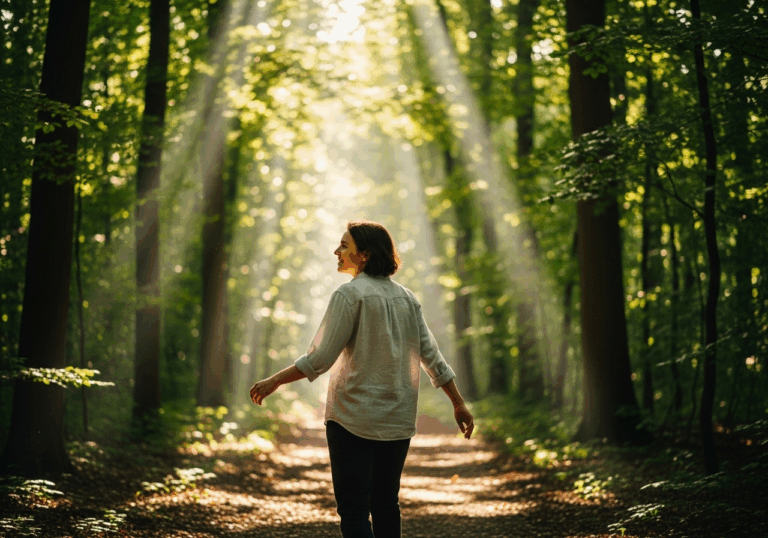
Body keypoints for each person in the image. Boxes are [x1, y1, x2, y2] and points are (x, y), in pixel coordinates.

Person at [250, 219, 475, 538]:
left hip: (350, 420)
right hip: (396, 420)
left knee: (354, 508)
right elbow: (432, 357)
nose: (336, 251)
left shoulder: (348, 295)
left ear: (365, 254)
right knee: (386, 504)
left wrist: (274, 380)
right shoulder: (407, 299)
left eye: (344, 246)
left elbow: (319, 359)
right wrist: (459, 404)